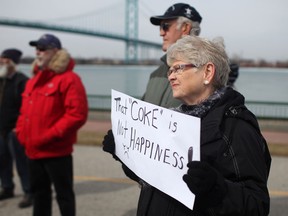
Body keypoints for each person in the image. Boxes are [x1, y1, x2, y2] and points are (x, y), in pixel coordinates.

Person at [104, 35, 271, 215]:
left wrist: (215, 188)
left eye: (179, 68)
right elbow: (153, 180)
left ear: (207, 72)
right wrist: (125, 153)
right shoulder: (172, 121)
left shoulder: (235, 127)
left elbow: (257, 206)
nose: (171, 77)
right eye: (170, 70)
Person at [15, 34, 88, 216]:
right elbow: (24, 113)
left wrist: (47, 136)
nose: (37, 53)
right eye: (36, 49)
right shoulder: (34, 80)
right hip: (33, 150)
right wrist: (21, 134)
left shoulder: (69, 79)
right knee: (39, 195)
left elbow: (77, 114)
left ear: (55, 51)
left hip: (56, 151)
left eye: (42, 49)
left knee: (64, 196)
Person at [142, 3, 239, 108]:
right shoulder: (155, 74)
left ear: (185, 27)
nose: (161, 33)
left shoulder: (212, 76)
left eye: (165, 26)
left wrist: (223, 80)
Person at [0, 48, 33, 208]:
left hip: (15, 130)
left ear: (13, 62)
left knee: (22, 163)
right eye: (1, 57)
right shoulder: (1, 79)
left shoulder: (22, 81)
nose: (1, 61)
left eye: (5, 58)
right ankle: (7, 188)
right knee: (2, 161)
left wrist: (19, 127)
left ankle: (29, 191)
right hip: (1, 129)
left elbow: (27, 108)